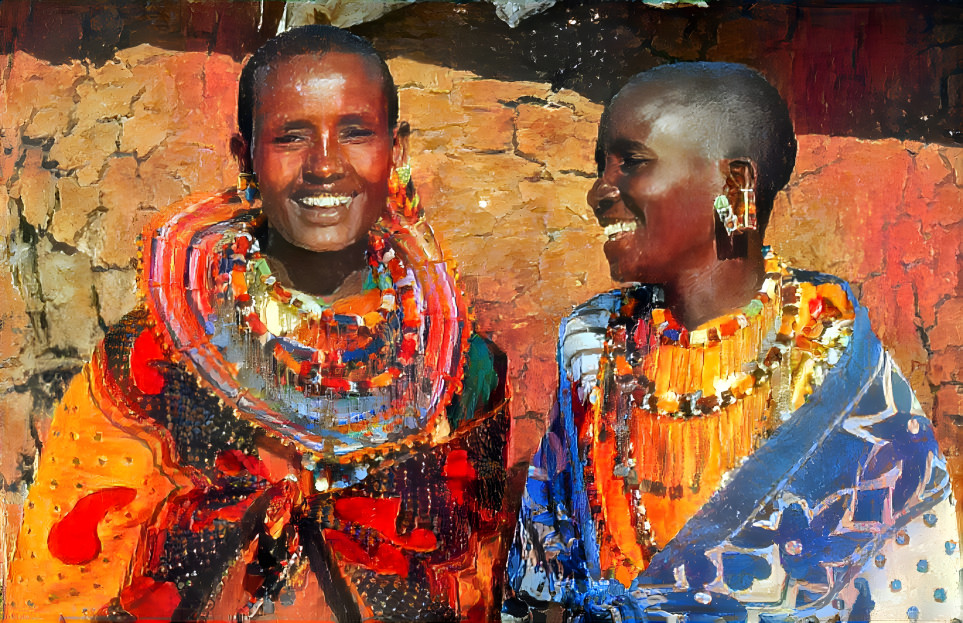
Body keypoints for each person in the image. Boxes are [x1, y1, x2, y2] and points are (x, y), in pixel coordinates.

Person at [5, 26, 511, 622]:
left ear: (396, 150)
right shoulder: (151, 359)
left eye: (355, 133)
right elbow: (59, 586)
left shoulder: (463, 372)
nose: (325, 165)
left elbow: (472, 587)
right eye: (291, 137)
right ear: (245, 157)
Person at [504, 63, 960, 622]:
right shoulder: (593, 346)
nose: (600, 191)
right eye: (601, 165)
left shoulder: (838, 371)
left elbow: (908, 588)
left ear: (735, 184)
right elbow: (548, 562)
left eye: (632, 162)